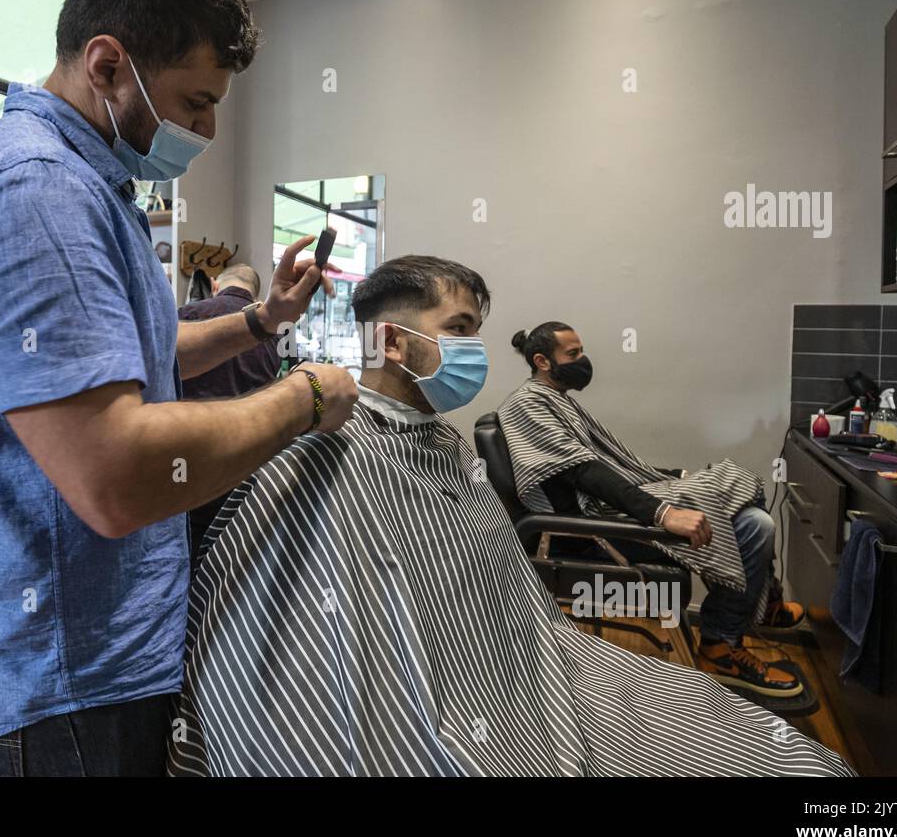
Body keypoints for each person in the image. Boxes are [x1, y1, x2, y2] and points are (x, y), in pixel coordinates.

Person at [0, 0, 357, 776]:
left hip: (103, 653)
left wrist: (261, 323)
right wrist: (303, 399)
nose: (209, 130)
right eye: (196, 103)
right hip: (67, 673)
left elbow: (140, 359)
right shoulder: (35, 194)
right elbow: (114, 474)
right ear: (108, 65)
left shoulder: (86, 188)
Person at [165, 256, 851, 776]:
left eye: (477, 333)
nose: (474, 351)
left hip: (524, 661)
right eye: (459, 330)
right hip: (447, 705)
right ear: (393, 343)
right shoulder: (320, 454)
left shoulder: (438, 439)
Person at [497, 322, 804, 699]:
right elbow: (583, 471)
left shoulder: (556, 399)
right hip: (594, 532)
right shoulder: (527, 404)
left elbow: (612, 464)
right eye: (573, 355)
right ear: (542, 361)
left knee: (734, 487)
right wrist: (662, 514)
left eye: (581, 352)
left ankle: (747, 613)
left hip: (606, 514)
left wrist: (671, 477)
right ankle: (721, 644)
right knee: (753, 522)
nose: (583, 361)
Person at [176, 263, 282, 564]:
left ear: (214, 284)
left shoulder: (186, 316)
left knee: (186, 549)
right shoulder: (274, 329)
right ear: (256, 292)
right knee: (235, 555)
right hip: (247, 457)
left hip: (185, 454)